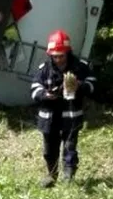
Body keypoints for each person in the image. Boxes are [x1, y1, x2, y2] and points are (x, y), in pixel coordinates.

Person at [30, 29, 97, 187]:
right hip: (49, 117)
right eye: (55, 56)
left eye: (61, 56)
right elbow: (33, 89)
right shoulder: (44, 69)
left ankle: (69, 178)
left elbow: (93, 83)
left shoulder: (80, 67)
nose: (58, 59)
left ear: (68, 52)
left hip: (71, 116)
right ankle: (51, 176)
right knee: (49, 150)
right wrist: (45, 95)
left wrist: (80, 86)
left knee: (70, 148)